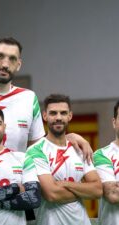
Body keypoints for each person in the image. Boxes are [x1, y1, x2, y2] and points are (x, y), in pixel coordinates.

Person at [0, 37, 92, 158]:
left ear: (19, 64)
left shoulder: (28, 98)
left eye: (12, 59)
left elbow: (38, 151)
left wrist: (68, 137)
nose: (5, 64)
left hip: (16, 189)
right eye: (0, 56)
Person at [26, 94, 102, 225]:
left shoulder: (79, 148)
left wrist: (66, 184)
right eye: (53, 113)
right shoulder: (36, 150)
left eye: (63, 113)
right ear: (45, 116)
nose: (58, 117)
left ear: (70, 116)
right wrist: (84, 191)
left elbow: (98, 190)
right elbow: (52, 194)